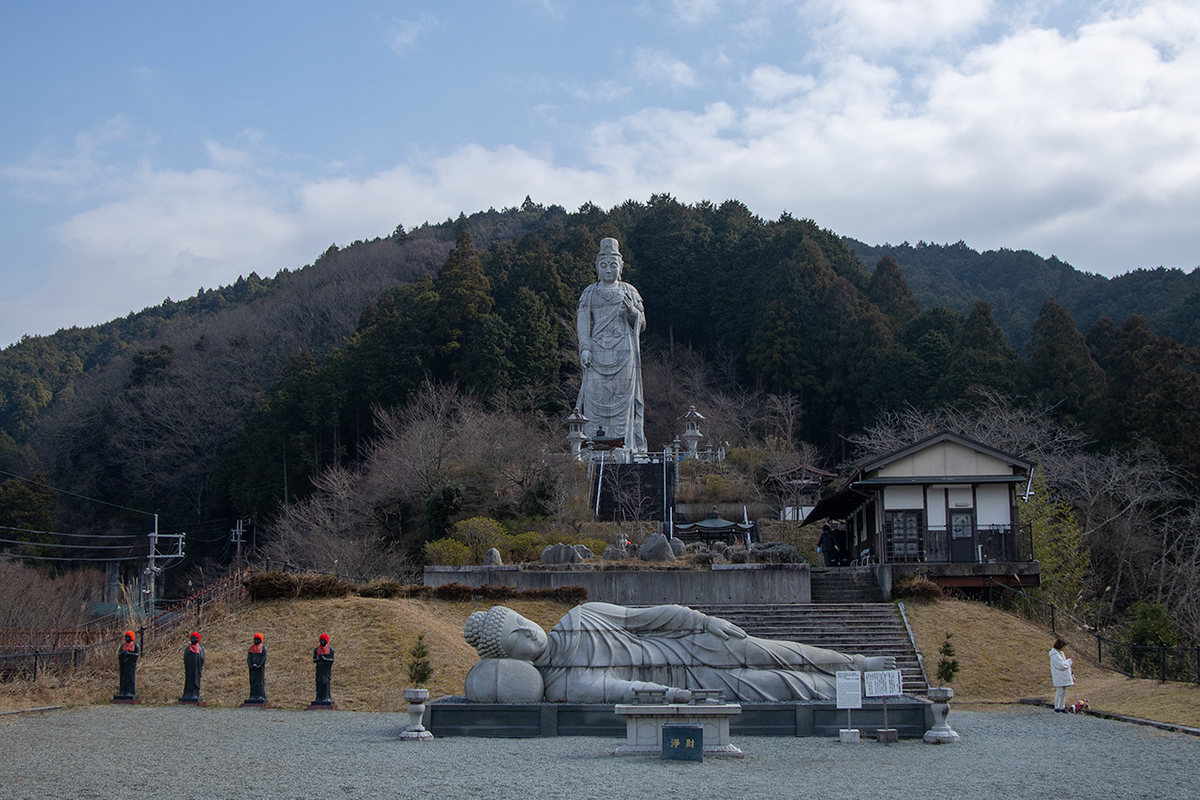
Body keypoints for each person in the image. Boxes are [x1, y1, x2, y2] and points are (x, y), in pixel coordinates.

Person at [464, 602, 895, 703]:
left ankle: (857, 665)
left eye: (522, 620)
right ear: (514, 658)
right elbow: (625, 690)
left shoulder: (582, 615)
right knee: (781, 685)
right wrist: (676, 696)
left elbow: (646, 616)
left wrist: (702, 621)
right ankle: (864, 691)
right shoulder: (562, 685)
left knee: (778, 651)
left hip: (687, 641)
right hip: (689, 681)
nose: (528, 630)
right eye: (517, 637)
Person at [575, 238, 646, 453]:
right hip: (596, 353)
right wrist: (585, 348)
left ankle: (628, 447)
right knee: (593, 396)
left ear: (621, 267)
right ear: (597, 267)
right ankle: (590, 447)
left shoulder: (629, 292)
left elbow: (642, 323)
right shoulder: (590, 292)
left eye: (613, 265)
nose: (608, 270)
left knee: (623, 401)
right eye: (603, 265)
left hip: (625, 353)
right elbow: (583, 323)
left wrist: (633, 313)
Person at [1050, 638, 1074, 712]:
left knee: (1064, 692)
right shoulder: (1054, 655)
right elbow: (1062, 665)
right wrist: (1070, 660)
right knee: (1059, 691)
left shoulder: (1060, 653)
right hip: (1059, 676)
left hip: (1063, 676)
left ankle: (1062, 706)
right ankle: (1057, 706)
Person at [179, 632, 205, 702]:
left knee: (196, 680)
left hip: (196, 668)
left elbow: (202, 658)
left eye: (195, 638)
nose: (193, 639)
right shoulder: (188, 648)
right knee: (188, 680)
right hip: (189, 668)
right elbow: (185, 657)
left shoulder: (201, 648)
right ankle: (187, 694)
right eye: (192, 638)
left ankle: (195, 694)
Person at [115, 630, 139, 700]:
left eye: (129, 637)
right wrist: (123, 654)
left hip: (130, 665)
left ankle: (130, 691)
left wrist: (129, 654)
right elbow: (119, 654)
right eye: (126, 637)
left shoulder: (135, 645)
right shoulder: (123, 645)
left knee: (130, 677)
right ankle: (122, 691)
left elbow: (136, 655)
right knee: (123, 678)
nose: (127, 638)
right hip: (123, 664)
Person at [313, 634, 335, 706]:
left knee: (325, 683)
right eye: (321, 641)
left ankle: (326, 697)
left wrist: (324, 659)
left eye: (324, 641)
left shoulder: (330, 650)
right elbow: (314, 660)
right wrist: (319, 659)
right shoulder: (316, 650)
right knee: (319, 683)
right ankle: (319, 697)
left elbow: (331, 660)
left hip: (326, 670)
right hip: (319, 669)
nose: (322, 642)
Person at [246, 633, 267, 704]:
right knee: (252, 682)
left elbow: (263, 658)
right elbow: (249, 658)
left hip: (259, 668)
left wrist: (259, 665)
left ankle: (260, 695)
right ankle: (252, 695)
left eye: (258, 639)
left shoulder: (263, 648)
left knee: (260, 682)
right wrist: (250, 665)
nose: (256, 641)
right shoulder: (251, 648)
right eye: (255, 639)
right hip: (252, 669)